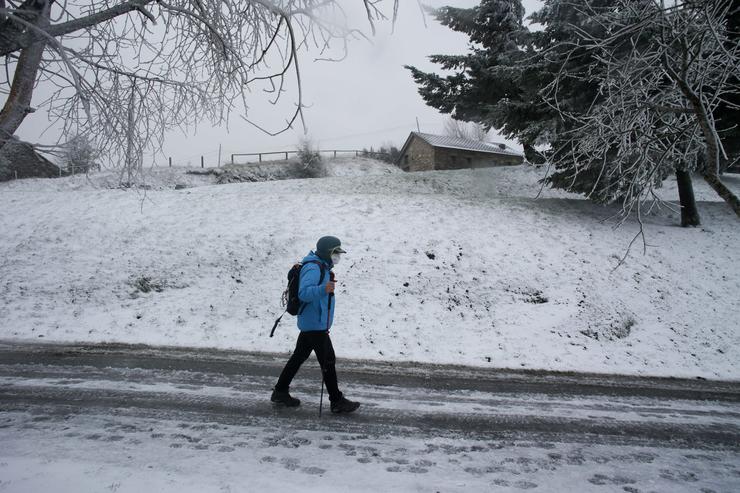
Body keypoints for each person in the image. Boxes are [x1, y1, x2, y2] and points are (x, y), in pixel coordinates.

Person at [271, 235, 360, 414]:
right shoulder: (313, 267)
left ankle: (280, 391)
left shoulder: (323, 266)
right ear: (327, 252)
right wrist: (323, 289)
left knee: (299, 357)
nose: (338, 256)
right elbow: (304, 293)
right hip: (314, 324)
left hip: (313, 322)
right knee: (328, 360)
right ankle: (336, 401)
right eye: (336, 252)